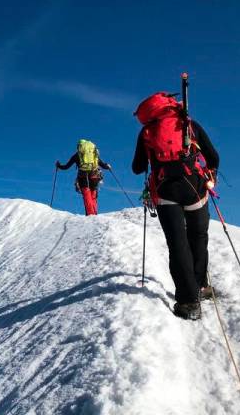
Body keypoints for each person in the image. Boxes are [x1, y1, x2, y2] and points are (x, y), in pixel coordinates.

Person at [132, 92, 219, 320]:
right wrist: (211, 176)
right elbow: (213, 156)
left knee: (177, 244)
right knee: (198, 236)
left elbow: (137, 167)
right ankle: (201, 286)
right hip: (195, 188)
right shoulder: (189, 125)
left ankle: (188, 302)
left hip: (165, 193)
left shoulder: (147, 132)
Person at [56, 139, 111, 216]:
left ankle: (90, 214)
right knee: (93, 193)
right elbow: (101, 164)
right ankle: (94, 213)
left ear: (79, 146)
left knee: (86, 193)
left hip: (83, 175)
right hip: (94, 173)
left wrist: (59, 166)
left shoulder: (76, 155)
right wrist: (107, 166)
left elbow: (66, 167)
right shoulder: (93, 154)